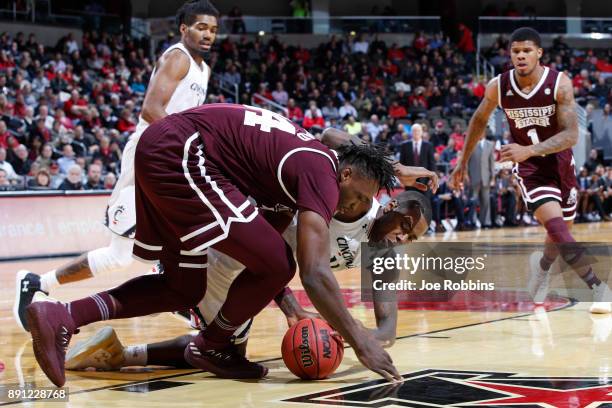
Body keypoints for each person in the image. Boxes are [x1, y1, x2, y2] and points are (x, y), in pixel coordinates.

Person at [26, 104, 437, 387]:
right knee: (279, 265)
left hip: (170, 153)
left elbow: (337, 138)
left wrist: (395, 170)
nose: (359, 205)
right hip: (183, 153)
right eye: (361, 197)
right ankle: (214, 345)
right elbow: (311, 272)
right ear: (345, 174)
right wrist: (360, 340)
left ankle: (62, 313)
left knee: (183, 288)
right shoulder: (321, 171)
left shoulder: (326, 173)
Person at [14, 0, 219, 332]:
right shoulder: (177, 57)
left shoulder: (204, 69)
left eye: (212, 30)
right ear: (184, 29)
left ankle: (181, 296)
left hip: (173, 159)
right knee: (121, 255)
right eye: (201, 27)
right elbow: (151, 110)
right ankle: (37, 282)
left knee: (191, 232)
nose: (208, 35)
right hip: (148, 156)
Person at [65, 190, 433, 371]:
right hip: (232, 257)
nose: (402, 239)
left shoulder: (383, 252)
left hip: (258, 275)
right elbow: (272, 250)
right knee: (218, 346)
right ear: (391, 206)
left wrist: (357, 337)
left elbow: (389, 327)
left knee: (224, 346)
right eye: (404, 227)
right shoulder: (346, 204)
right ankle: (76, 322)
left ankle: (115, 350)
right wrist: (291, 306)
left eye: (410, 238)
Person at [449, 27, 610, 314]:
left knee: (559, 233)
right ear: (509, 54)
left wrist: (530, 149)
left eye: (526, 51)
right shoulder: (499, 86)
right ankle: (598, 287)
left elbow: (572, 134)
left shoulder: (559, 84)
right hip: (530, 168)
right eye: (515, 51)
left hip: (560, 163)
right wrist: (462, 162)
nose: (520, 56)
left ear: (539, 53)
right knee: (557, 227)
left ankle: (542, 267)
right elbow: (478, 119)